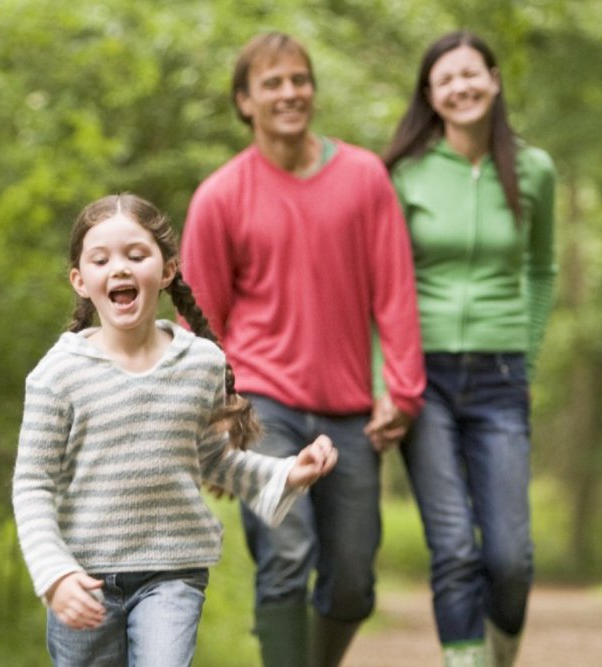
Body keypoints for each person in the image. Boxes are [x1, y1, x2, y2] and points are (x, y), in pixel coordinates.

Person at [179, 31, 425, 667]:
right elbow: (200, 323)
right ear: (245, 102)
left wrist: (401, 391)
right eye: (273, 83)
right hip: (262, 408)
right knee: (287, 558)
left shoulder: (365, 177)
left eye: (299, 80)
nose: (290, 93)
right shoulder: (221, 195)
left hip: (348, 411)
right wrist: (214, 423)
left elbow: (395, 292)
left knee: (351, 581)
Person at [12, 193, 338, 667]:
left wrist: (287, 474)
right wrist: (54, 575)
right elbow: (32, 483)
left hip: (172, 572)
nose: (119, 269)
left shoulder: (199, 362)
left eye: (136, 255)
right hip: (83, 578)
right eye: (101, 259)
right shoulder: (57, 375)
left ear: (166, 271)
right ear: (81, 281)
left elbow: (210, 459)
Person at [380, 30, 558, 667]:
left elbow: (542, 271)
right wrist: (387, 380)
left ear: (495, 78)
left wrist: (526, 356)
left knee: (509, 556)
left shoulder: (534, 170)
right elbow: (385, 283)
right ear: (430, 96)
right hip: (420, 378)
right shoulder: (406, 173)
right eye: (445, 79)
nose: (460, 87)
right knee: (454, 546)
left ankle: (499, 654)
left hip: (501, 376)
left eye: (470, 74)